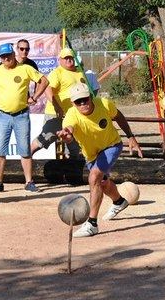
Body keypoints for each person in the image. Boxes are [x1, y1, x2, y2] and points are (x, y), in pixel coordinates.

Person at [57, 82, 143, 238]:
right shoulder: (71, 115)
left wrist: (130, 136)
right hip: (91, 154)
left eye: (85, 99)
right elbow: (69, 132)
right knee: (102, 183)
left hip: (112, 145)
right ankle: (118, 201)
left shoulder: (103, 104)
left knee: (94, 177)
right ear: (73, 103)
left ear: (91, 96)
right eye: (78, 101)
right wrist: (66, 135)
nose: (83, 103)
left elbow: (119, 116)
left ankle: (92, 224)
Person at [0, 42, 49, 192]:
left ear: (13, 54)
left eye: (8, 56)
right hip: (3, 116)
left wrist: (35, 97)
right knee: (0, 150)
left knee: (25, 151)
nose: (6, 59)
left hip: (21, 115)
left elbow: (44, 81)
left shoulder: (26, 68)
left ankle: (29, 182)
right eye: (2, 57)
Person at [30, 47, 85, 158]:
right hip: (55, 115)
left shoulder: (80, 73)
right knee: (44, 140)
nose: (69, 60)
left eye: (71, 58)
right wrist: (57, 107)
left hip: (73, 116)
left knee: (73, 146)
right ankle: (26, 157)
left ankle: (71, 171)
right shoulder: (57, 73)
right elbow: (48, 89)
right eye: (66, 58)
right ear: (60, 60)